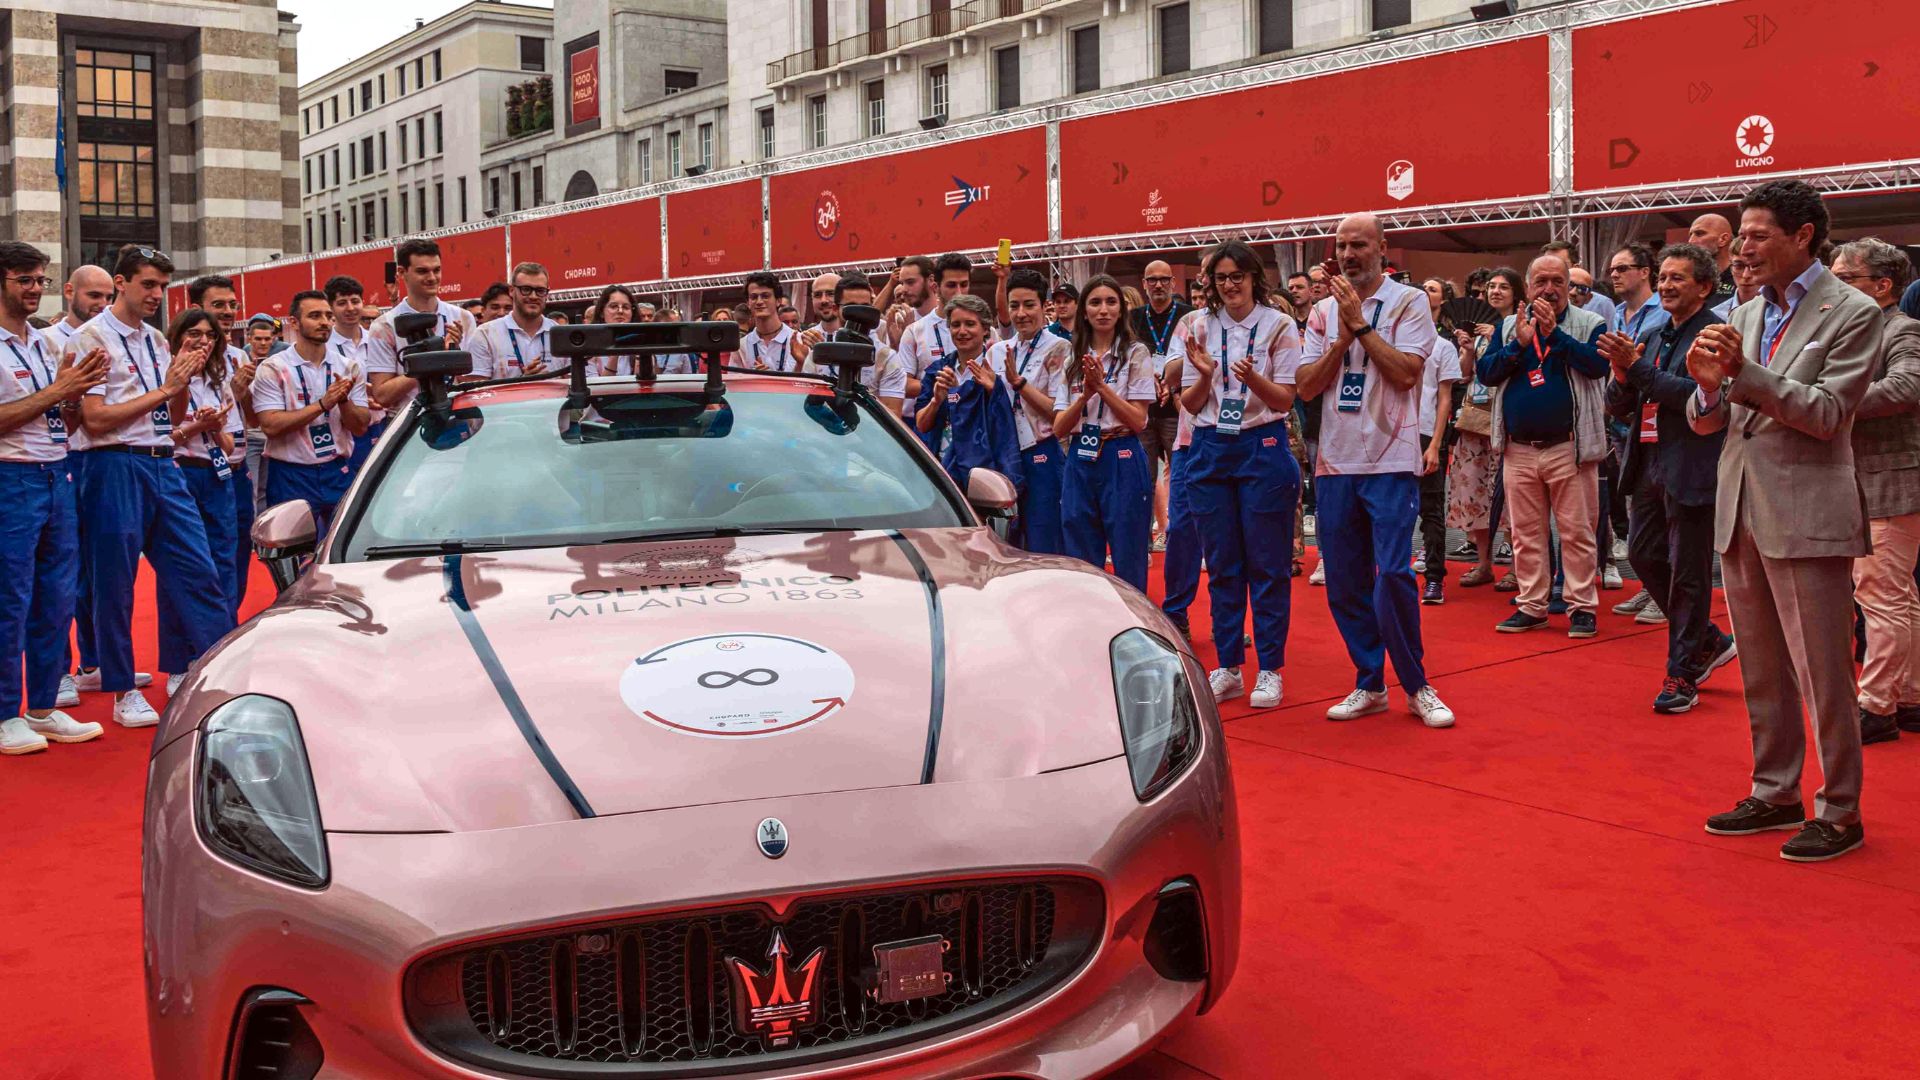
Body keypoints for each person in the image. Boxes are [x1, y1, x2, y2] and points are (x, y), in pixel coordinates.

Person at [1687, 180, 1881, 862]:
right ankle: (1776, 790)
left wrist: (1743, 377)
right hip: (1740, 507)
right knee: (1763, 669)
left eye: (1757, 234)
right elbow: (1714, 418)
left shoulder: (1853, 311)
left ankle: (1842, 810)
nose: (1742, 247)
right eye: (1740, 234)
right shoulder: (1741, 313)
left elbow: (1828, 414)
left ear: (1803, 237)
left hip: (1807, 513)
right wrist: (1708, 387)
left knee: (1825, 672)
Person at [1295, 214, 1455, 728]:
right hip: (1335, 463)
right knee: (1343, 580)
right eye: (1341, 245)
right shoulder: (1322, 311)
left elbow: (1408, 374)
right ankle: (1369, 681)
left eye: (1359, 245)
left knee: (1394, 576)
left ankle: (1417, 684)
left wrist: (1360, 326)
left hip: (1391, 459)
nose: (1348, 254)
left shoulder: (1408, 302)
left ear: (1382, 248)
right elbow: (1305, 386)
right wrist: (1341, 337)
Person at [70, 244, 233, 727]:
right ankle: (122, 690)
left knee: (199, 572)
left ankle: (219, 672)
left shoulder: (157, 343)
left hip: (164, 462)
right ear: (120, 283)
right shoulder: (89, 339)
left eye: (163, 286)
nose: (157, 295)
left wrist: (183, 380)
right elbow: (95, 421)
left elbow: (171, 417)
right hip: (111, 465)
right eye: (148, 285)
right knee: (114, 583)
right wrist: (165, 387)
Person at [1598, 244, 1736, 714]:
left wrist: (1636, 371)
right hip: (1649, 460)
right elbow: (1623, 402)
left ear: (1704, 286)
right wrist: (1621, 374)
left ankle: (1682, 673)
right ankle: (1707, 640)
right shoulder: (1655, 334)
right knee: (1642, 553)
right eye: (1664, 278)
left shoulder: (1716, 335)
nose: (1667, 286)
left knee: (1689, 574)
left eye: (1679, 278)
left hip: (1693, 463)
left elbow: (1696, 396)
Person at [1175, 241, 1302, 709]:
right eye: (1221, 277)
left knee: (1267, 565)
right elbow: (1187, 405)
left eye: (1237, 276)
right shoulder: (1197, 326)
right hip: (1209, 447)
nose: (1229, 285)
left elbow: (1286, 399)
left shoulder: (1279, 324)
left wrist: (1253, 382)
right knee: (1222, 565)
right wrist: (1207, 376)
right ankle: (1229, 665)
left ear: (1254, 278)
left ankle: (1270, 667)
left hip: (1261, 446)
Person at [0, 242, 108, 755]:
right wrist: (59, 390)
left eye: (40, 279)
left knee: (55, 598)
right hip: (10, 478)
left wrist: (70, 397)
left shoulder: (42, 344)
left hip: (55, 472)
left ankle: (42, 707)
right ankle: (4, 714)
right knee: (10, 599)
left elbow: (57, 416)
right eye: (25, 278)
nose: (34, 288)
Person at [1478, 253, 1610, 637]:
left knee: (1577, 532)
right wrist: (1517, 346)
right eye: (1541, 282)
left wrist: (1555, 336)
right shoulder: (1508, 326)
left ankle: (1581, 607)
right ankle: (1532, 605)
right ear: (1529, 284)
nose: (1549, 289)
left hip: (1569, 447)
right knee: (1526, 534)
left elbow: (1598, 366)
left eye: (1557, 281)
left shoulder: (1589, 323)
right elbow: (1486, 374)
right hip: (1518, 448)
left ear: (1569, 286)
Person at [1830, 238, 1920, 743]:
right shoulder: (1865, 330)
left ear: (1882, 286)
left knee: (1880, 596)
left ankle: (1876, 706)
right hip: (1878, 478)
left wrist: (1830, 401)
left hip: (1890, 480)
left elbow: (1906, 387)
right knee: (1899, 595)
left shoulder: (1903, 330)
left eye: (1846, 279)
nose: (1835, 287)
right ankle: (1907, 697)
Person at [154, 308, 242, 694]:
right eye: (194, 333)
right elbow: (156, 437)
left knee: (223, 566)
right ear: (177, 337)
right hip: (178, 473)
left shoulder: (218, 380)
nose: (203, 340)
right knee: (182, 569)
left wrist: (216, 427)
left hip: (217, 474)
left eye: (209, 335)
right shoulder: (165, 375)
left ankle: (217, 654)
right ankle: (177, 663)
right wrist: (195, 426)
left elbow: (228, 443)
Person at [1052, 275, 1156, 591]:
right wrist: (1084, 395)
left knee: (1128, 550)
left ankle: (1133, 626)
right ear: (1084, 311)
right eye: (1095, 302)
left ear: (1121, 310)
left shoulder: (1135, 353)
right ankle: (1090, 622)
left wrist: (1101, 389)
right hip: (1080, 456)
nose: (1103, 310)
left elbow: (1139, 420)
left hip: (1121, 453)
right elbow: (1059, 427)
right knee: (1081, 550)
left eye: (1111, 302)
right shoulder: (1072, 357)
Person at [252, 291, 370, 542]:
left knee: (342, 548)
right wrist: (322, 405)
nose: (324, 322)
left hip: (337, 469)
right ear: (293, 322)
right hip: (290, 473)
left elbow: (360, 427)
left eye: (328, 316)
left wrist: (344, 401)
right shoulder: (273, 368)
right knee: (292, 552)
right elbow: (271, 425)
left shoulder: (348, 367)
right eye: (315, 316)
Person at [1447, 267, 1524, 590]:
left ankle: (1519, 568)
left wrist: (1498, 341)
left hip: (1506, 421)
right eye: (1491, 287)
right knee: (1474, 492)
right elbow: (1464, 376)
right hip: (1474, 421)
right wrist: (1467, 349)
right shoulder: (1481, 332)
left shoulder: (1520, 329)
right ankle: (1483, 563)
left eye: (1503, 287)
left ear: (1517, 292)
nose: (1494, 292)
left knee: (1510, 498)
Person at [993, 269, 1069, 553]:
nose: (1021, 313)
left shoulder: (1059, 349)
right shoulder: (999, 351)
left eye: (1029, 305)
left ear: (1044, 306)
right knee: (1008, 539)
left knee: (1043, 538)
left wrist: (1020, 384)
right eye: (1014, 306)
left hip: (1043, 452)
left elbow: (1059, 413)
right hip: (1006, 453)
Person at [914, 293, 1021, 492]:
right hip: (944, 469)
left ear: (985, 329)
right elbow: (921, 424)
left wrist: (993, 390)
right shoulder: (939, 370)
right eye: (956, 325)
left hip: (987, 470)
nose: (962, 331)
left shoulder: (997, 366)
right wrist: (937, 401)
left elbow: (1008, 423)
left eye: (970, 324)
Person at [366, 238, 475, 412]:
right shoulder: (384, 326)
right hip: (410, 424)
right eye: (422, 271)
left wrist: (455, 354)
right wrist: (435, 361)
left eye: (437, 270)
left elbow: (473, 383)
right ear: (402, 273)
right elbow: (382, 395)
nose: (432, 278)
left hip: (457, 417)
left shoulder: (463, 317)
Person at [1133, 260, 1192, 551]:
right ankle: (1140, 545)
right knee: (1143, 482)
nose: (1158, 285)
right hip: (1142, 412)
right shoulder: (1133, 318)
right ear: (1144, 284)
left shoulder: (1188, 316)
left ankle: (1188, 543)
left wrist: (1173, 385)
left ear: (1173, 283)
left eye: (1163, 280)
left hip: (1178, 410)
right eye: (1151, 279)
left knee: (1183, 480)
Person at [1416, 278, 1462, 604]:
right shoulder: (1391, 344)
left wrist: (1435, 444)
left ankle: (1435, 578)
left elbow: (1445, 399)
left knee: (1432, 509)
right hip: (1392, 437)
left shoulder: (1444, 346)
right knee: (1391, 509)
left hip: (1426, 435)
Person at [805, 272, 907, 412]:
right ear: (836, 309)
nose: (859, 313)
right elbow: (809, 408)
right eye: (851, 307)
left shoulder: (887, 358)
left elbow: (893, 414)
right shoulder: (818, 355)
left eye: (865, 307)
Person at [323, 275, 385, 483]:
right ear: (331, 307)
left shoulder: (378, 339)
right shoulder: (324, 345)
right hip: (342, 430)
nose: (350, 308)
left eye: (355, 301)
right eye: (342, 303)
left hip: (379, 425)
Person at [468, 262, 561, 378]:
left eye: (540, 291)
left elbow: (573, 383)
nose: (533, 296)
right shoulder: (484, 335)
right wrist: (521, 384)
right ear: (512, 291)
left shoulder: (561, 335)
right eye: (526, 289)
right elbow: (477, 390)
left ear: (547, 293)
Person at [43, 264, 115, 360]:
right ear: (69, 292)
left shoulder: (116, 341)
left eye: (109, 297)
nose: (103, 304)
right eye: (94, 295)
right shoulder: (43, 341)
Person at [737, 271, 799, 371]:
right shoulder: (741, 346)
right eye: (754, 297)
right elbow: (735, 384)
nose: (759, 302)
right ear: (748, 303)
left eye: (765, 296)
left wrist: (771, 379)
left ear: (778, 301)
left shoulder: (798, 340)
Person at [879, 255, 936, 350]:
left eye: (910, 282)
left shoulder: (950, 318)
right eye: (902, 283)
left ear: (930, 280)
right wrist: (895, 345)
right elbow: (897, 363)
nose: (904, 289)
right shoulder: (899, 321)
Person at [789, 272, 842, 367]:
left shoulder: (856, 336)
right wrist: (801, 363)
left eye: (830, 294)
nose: (823, 300)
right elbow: (795, 380)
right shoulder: (803, 339)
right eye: (818, 295)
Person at [1687, 212, 1738, 304]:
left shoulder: (1743, 277)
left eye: (1699, 234)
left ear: (1723, 239)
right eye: (1690, 235)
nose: (1691, 241)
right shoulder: (1693, 280)